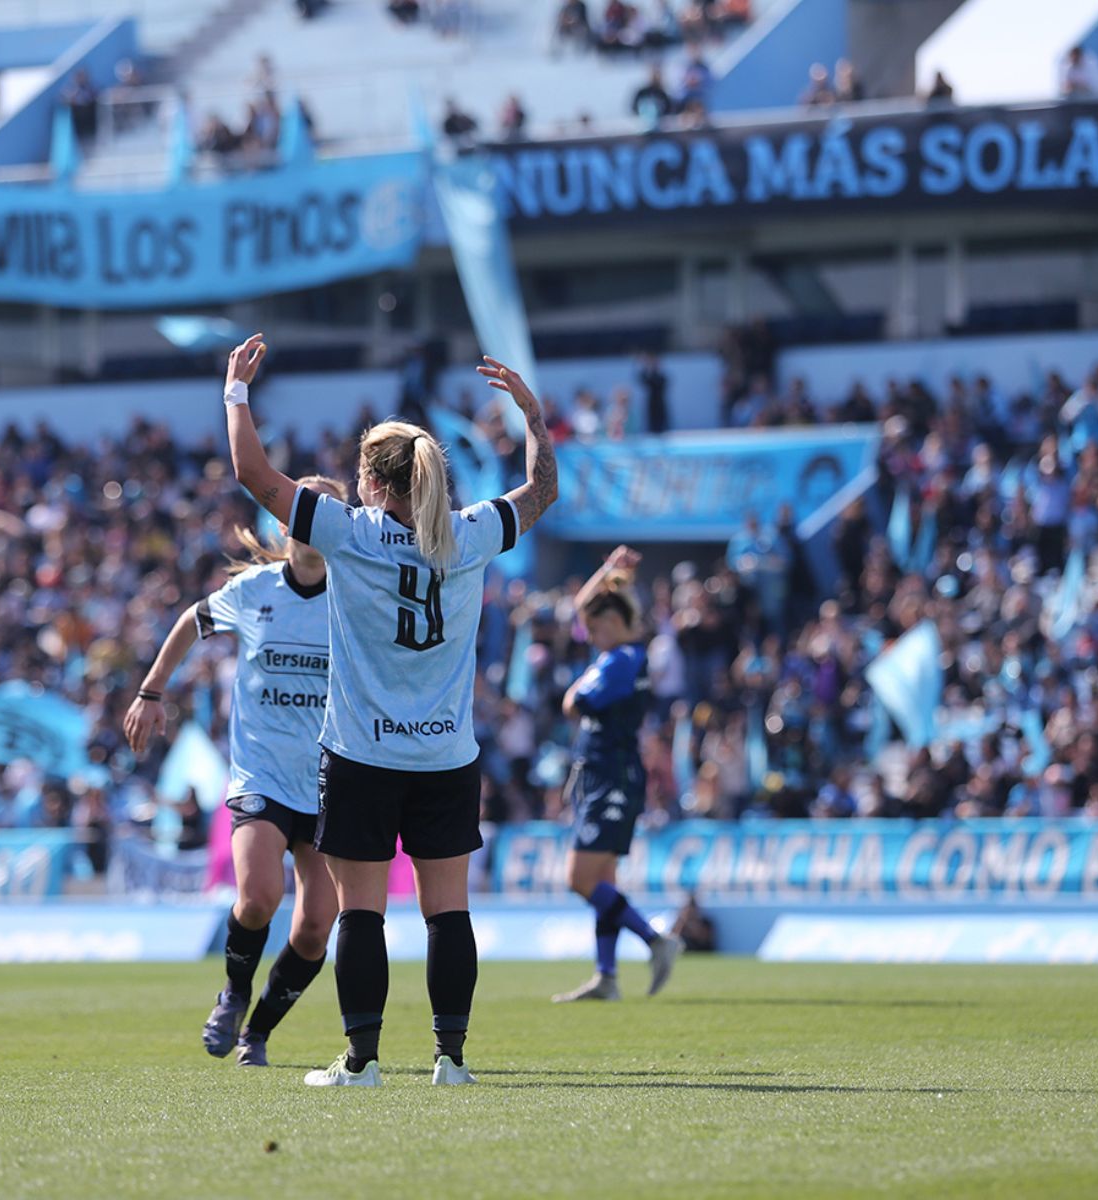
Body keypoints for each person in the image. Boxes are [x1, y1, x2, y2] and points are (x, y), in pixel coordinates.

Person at [220, 333, 557, 1087]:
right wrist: (533, 419)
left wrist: (236, 394)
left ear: (372, 481)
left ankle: (363, 1061)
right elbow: (542, 495)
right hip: (444, 756)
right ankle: (452, 1058)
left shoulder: (347, 532)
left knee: (360, 914)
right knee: (449, 913)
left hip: (362, 754)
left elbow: (251, 473)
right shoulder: (468, 534)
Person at [124, 474, 348, 1069]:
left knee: (315, 929)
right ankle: (233, 993)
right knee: (258, 898)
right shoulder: (255, 591)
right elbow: (190, 623)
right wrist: (151, 692)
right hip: (263, 776)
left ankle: (261, 1030)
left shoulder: (356, 596)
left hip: (331, 783)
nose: (311, 520)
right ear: (284, 523)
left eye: (326, 510)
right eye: (302, 510)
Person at [552, 547, 682, 1002]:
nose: (589, 629)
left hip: (611, 776)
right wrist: (608, 572)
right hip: (610, 776)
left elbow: (573, 704)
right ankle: (606, 976)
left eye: (596, 624)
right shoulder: (623, 656)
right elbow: (581, 609)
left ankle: (655, 939)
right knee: (602, 881)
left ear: (614, 622)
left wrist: (572, 690)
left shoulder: (620, 660)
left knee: (580, 878)